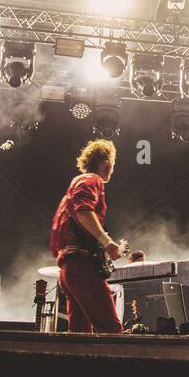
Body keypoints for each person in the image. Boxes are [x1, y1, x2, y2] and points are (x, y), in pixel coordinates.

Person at [49, 139, 125, 334]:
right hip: (82, 267)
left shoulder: (76, 185)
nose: (112, 169)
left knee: (80, 333)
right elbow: (84, 211)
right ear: (106, 162)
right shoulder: (91, 179)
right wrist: (107, 243)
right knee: (111, 330)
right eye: (113, 164)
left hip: (69, 269)